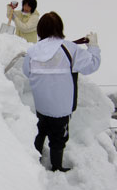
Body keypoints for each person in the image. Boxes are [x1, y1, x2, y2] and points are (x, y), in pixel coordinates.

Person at [22, 11, 101, 172]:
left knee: (40, 130)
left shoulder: (33, 51)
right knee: (58, 137)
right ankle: (56, 167)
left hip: (41, 106)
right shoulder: (70, 49)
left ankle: (34, 160)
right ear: (60, 28)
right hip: (61, 109)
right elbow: (91, 65)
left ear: (40, 30)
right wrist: (93, 46)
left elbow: (27, 71)